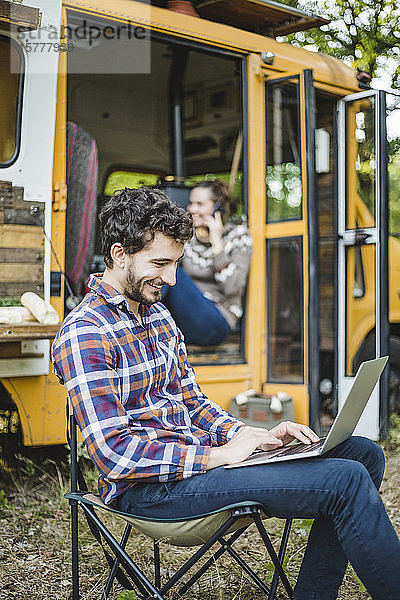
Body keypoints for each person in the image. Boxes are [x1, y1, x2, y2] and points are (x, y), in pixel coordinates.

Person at [52, 187, 400, 600]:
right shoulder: (85, 333)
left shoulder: (159, 316)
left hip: (204, 471)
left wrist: (250, 437)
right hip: (152, 491)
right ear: (119, 253)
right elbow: (114, 454)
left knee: (363, 453)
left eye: (176, 264)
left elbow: (193, 402)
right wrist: (218, 456)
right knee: (345, 481)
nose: (172, 279)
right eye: (161, 264)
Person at [162, 179, 252, 346]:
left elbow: (233, 287)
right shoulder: (189, 238)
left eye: (199, 204)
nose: (191, 209)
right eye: (190, 203)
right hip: (185, 317)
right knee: (162, 266)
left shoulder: (239, 236)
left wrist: (217, 244)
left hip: (217, 322)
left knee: (169, 270)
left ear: (219, 207)